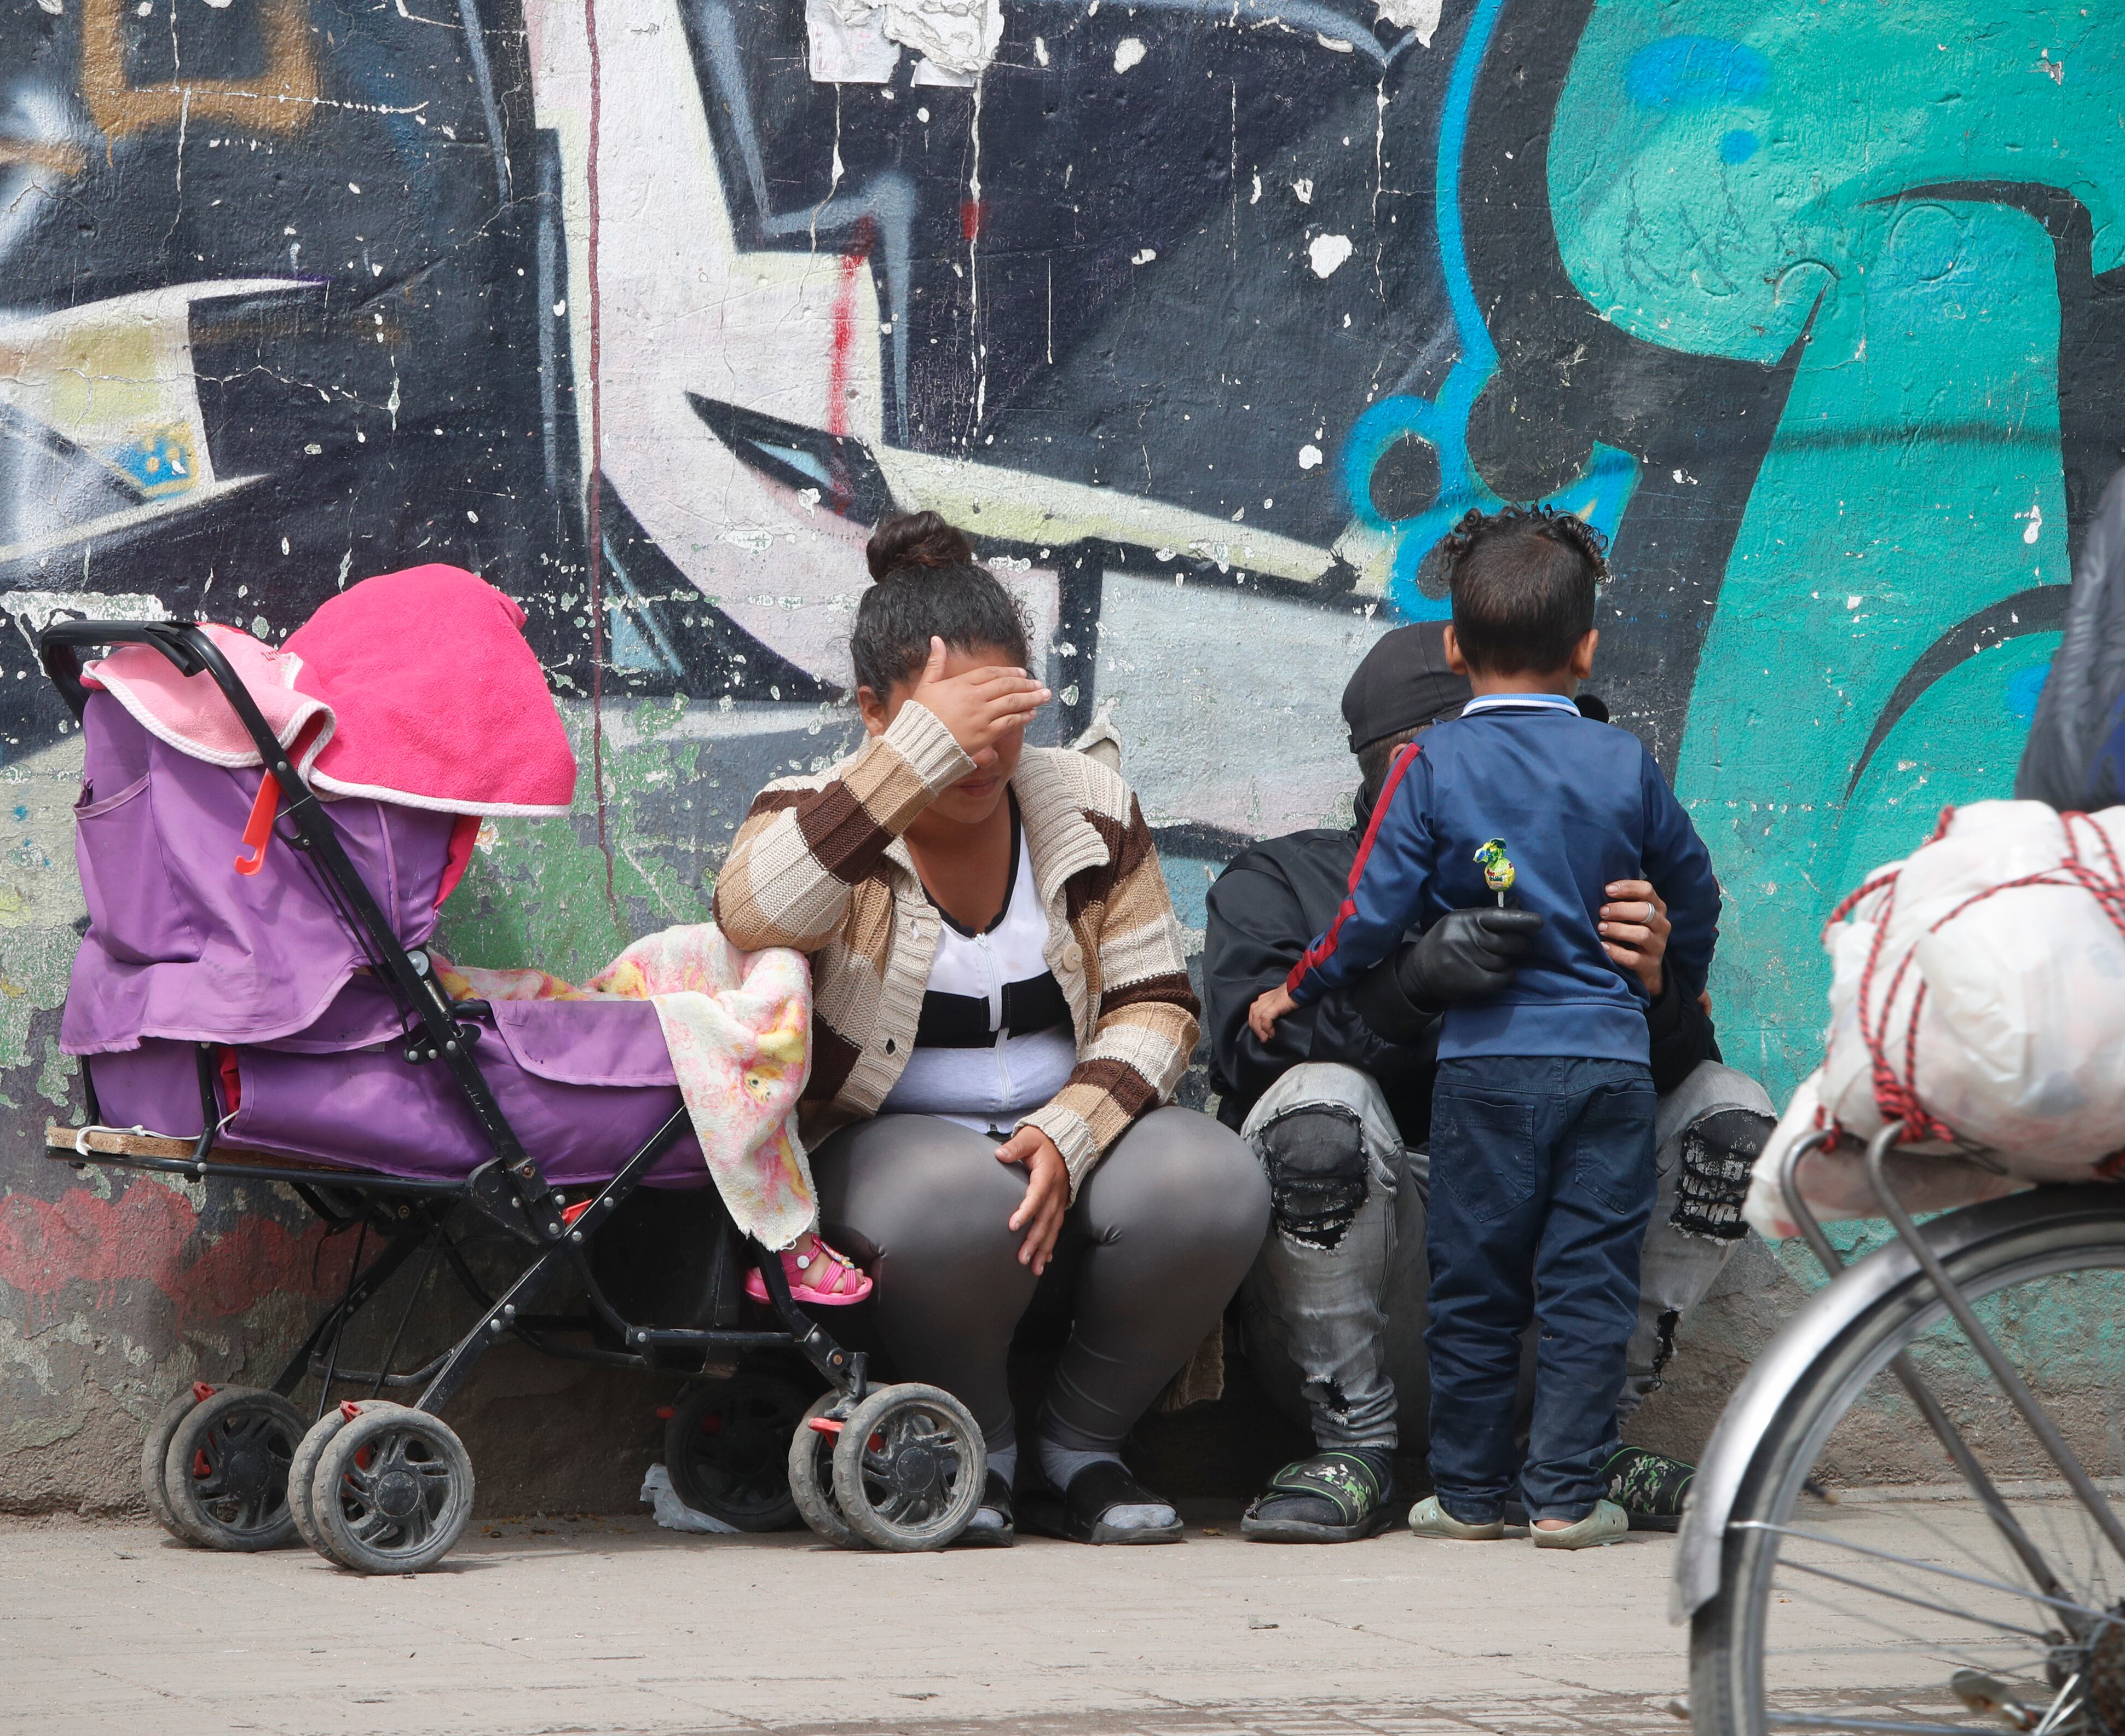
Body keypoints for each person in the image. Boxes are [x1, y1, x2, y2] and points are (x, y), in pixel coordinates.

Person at [713, 511, 1267, 1546]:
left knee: (1217, 1177)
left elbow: (1158, 1002)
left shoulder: (1086, 804)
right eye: (951, 729)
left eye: (1005, 717)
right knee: (963, 1200)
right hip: (894, 1167)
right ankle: (982, 1450)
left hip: (1071, 1137)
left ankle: (1081, 1449)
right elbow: (754, 911)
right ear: (875, 714)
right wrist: (901, 766)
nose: (984, 755)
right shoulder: (816, 812)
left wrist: (1071, 1129)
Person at [1206, 620, 1774, 1544]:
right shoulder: (1285, 879)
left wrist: (1658, 982)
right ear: (1406, 765)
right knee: (1321, 1108)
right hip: (1388, 1279)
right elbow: (1245, 1058)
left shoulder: (1588, 876)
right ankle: (1354, 1443)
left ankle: (1585, 1448)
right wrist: (1404, 988)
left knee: (1728, 1109)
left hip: (1557, 1279)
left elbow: (1674, 1077)